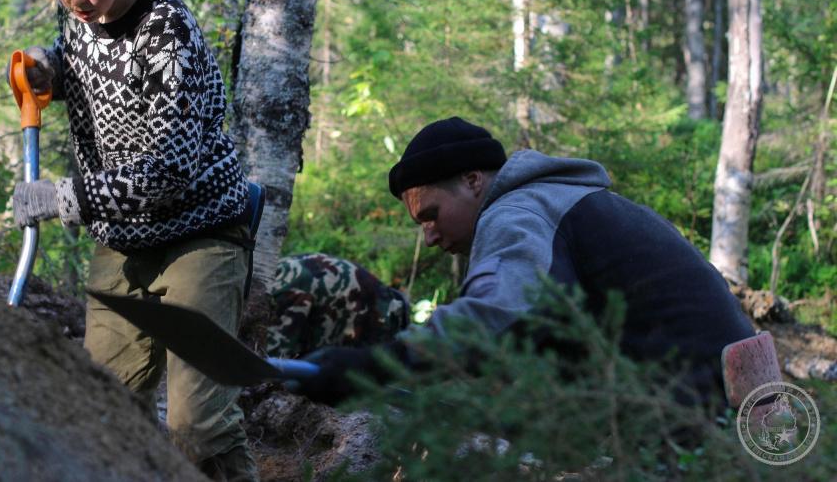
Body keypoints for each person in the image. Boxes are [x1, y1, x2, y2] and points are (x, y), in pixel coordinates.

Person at [9, 0, 259, 481]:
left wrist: (62, 197)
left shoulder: (166, 31)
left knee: (197, 424)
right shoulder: (78, 13)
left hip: (201, 231)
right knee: (103, 405)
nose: (75, 0)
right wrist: (50, 68)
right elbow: (95, 68)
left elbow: (166, 172)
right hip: (122, 238)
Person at [290, 116, 755, 408]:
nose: (429, 236)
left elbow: (493, 319)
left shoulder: (518, 213)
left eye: (431, 215)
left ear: (473, 181)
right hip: (730, 394)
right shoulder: (560, 204)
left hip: (701, 407)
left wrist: (370, 368)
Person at [266, 253, 409, 359]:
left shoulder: (281, 291)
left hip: (382, 318)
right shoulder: (273, 274)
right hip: (375, 307)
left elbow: (269, 364)